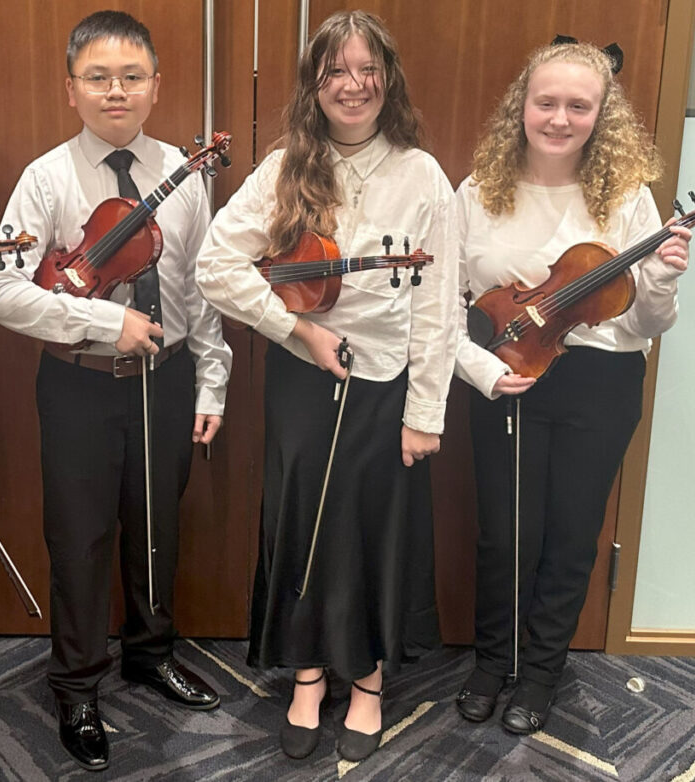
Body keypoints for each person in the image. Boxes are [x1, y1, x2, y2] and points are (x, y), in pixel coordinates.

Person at [196, 10, 456, 763]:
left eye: (366, 69)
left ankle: (368, 681)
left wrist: (425, 412)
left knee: (373, 530)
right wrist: (298, 330)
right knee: (303, 522)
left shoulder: (422, 175)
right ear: (316, 83)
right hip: (303, 379)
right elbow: (217, 266)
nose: (352, 84)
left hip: (386, 385)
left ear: (388, 80)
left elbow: (438, 305)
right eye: (335, 70)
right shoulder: (285, 167)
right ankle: (308, 676)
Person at [0, 10, 231, 773]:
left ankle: (151, 655)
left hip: (170, 376)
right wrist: (96, 319)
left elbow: (202, 289)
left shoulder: (186, 176)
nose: (114, 91)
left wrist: (211, 382)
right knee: (80, 539)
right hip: (80, 384)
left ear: (155, 86)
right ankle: (78, 684)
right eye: (98, 77)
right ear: (71, 89)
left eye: (130, 77)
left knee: (156, 526)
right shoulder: (46, 177)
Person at [453, 41, 691, 734]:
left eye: (578, 106)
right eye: (546, 103)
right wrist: (481, 371)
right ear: (521, 107)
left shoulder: (628, 198)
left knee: (571, 534)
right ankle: (493, 662)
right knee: (503, 533)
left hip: (601, 379)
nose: (559, 119)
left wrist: (665, 278)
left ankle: (543, 672)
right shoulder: (478, 190)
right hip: (503, 369)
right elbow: (452, 300)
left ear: (601, 114)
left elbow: (649, 322)